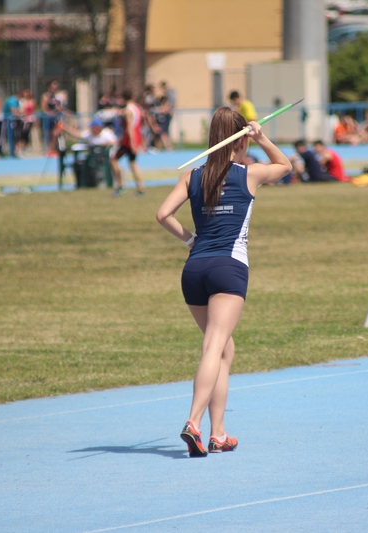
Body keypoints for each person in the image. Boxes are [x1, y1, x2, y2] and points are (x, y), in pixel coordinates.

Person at [155, 107, 291, 457]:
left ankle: (218, 434)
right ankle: (194, 423)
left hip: (195, 269)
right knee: (215, 347)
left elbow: (162, 215)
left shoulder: (192, 176)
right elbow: (286, 166)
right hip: (228, 267)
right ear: (240, 139)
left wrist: (189, 240)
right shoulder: (249, 173)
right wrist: (262, 137)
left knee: (224, 350)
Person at [110, 89, 145, 196]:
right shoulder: (138, 108)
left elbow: (130, 127)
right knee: (133, 163)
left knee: (113, 160)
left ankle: (121, 186)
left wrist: (132, 142)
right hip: (136, 138)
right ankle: (140, 188)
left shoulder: (128, 110)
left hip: (129, 141)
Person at [41, 81, 64, 155]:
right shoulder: (46, 96)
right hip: (48, 118)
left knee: (56, 134)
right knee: (49, 135)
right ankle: (48, 150)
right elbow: (44, 108)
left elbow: (59, 107)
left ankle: (53, 149)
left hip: (55, 118)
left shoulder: (56, 97)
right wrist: (51, 113)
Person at [1, 89, 21, 158]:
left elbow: (18, 110)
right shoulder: (12, 100)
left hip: (13, 121)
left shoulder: (17, 101)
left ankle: (13, 151)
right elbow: (13, 111)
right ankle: (4, 151)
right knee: (5, 136)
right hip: (6, 121)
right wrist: (22, 116)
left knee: (15, 136)